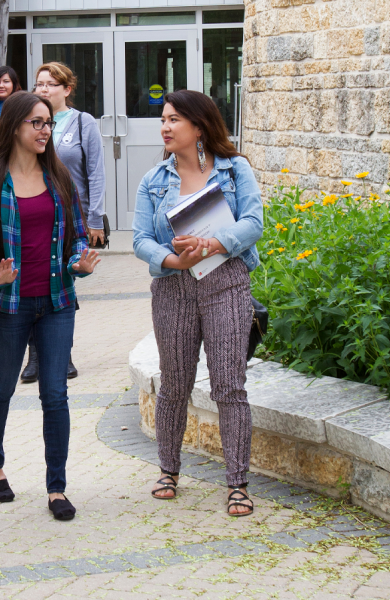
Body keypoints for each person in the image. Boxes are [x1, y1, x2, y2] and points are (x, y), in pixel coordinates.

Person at [0, 92, 100, 521]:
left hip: (58, 300)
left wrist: (80, 260)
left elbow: (78, 234)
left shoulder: (60, 180)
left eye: (48, 123)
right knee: (2, 386)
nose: (45, 130)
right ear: (15, 128)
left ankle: (56, 487)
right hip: (10, 305)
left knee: (55, 393)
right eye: (36, 123)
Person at [132, 90, 263, 517]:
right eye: (164, 120)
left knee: (229, 384)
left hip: (226, 283)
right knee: (174, 386)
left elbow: (253, 222)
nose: (166, 128)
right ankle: (169, 470)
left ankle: (238, 483)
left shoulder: (234, 169)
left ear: (199, 126)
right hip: (174, 288)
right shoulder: (153, 180)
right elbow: (140, 241)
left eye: (174, 120)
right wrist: (173, 259)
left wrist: (212, 243)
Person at [19, 61, 108, 384]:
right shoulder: (28, 123)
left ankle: (61, 352)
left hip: (71, 219)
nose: (42, 89)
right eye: (38, 84)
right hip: (34, 214)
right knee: (32, 280)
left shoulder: (82, 123)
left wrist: (95, 219)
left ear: (66, 90)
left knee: (62, 282)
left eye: (49, 84)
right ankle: (34, 356)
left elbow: (96, 172)